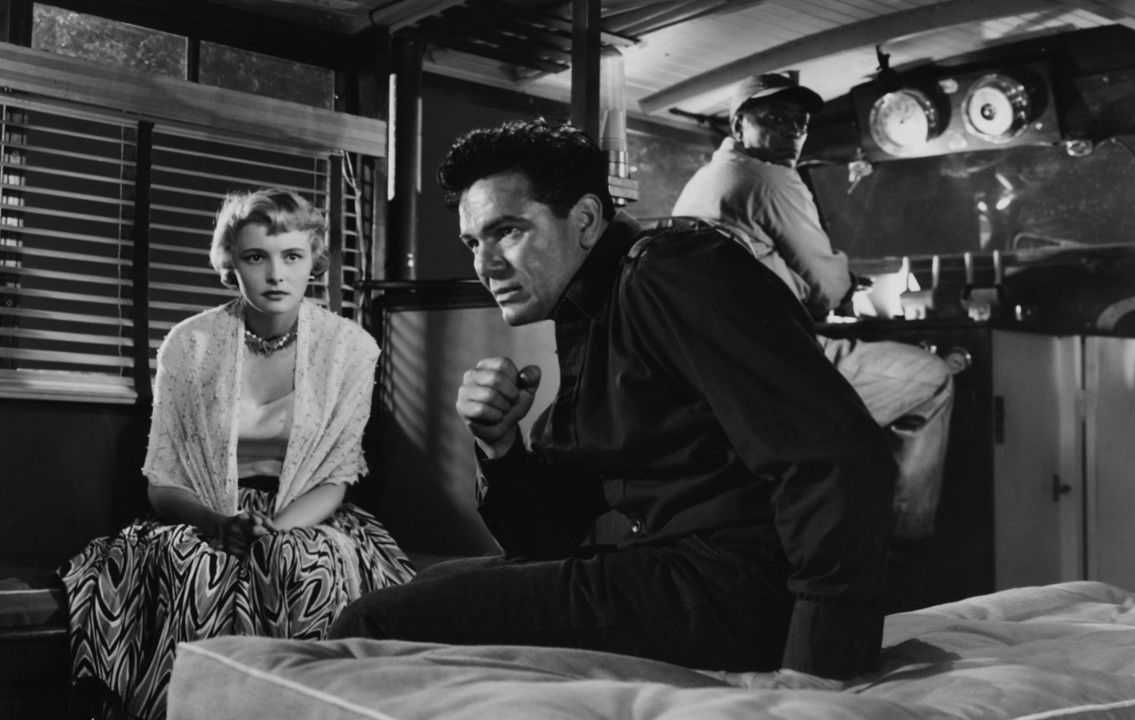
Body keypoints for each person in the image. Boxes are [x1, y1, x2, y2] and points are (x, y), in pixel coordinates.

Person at [333, 119, 896, 686]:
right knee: (425, 587)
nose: (486, 264)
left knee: (371, 625)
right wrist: (500, 442)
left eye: (507, 231)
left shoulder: (671, 273)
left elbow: (837, 455)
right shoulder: (590, 309)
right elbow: (546, 542)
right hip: (672, 570)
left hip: (735, 588)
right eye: (473, 243)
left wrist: (817, 667)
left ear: (584, 220)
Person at [59, 188, 415, 720]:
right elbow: (163, 480)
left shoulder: (350, 348)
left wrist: (273, 530)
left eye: (291, 256)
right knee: (195, 564)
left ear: (314, 261)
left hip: (307, 513)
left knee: (306, 562)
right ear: (231, 264)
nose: (276, 275)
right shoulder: (190, 344)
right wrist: (218, 524)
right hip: (203, 513)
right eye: (255, 257)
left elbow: (335, 478)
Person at [671, 73, 955, 538]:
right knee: (933, 378)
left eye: (799, 122)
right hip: (781, 371)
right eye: (774, 118)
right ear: (738, 124)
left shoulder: (706, 181)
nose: (791, 130)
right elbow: (826, 288)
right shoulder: (770, 178)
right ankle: (903, 539)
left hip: (720, 372)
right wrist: (844, 285)